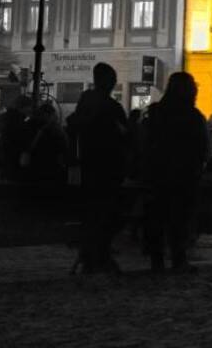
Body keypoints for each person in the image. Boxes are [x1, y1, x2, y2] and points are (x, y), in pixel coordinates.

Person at [143, 72, 209, 273]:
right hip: (184, 176)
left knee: (158, 218)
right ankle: (179, 259)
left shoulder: (155, 113)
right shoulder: (193, 117)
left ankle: (157, 261)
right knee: (180, 219)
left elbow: (145, 143)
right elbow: (202, 149)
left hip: (158, 174)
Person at [67, 63, 128, 274]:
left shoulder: (85, 103)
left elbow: (73, 127)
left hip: (89, 164)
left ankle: (92, 253)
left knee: (93, 212)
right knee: (111, 212)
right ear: (108, 82)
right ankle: (99, 253)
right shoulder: (110, 107)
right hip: (107, 166)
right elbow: (124, 136)